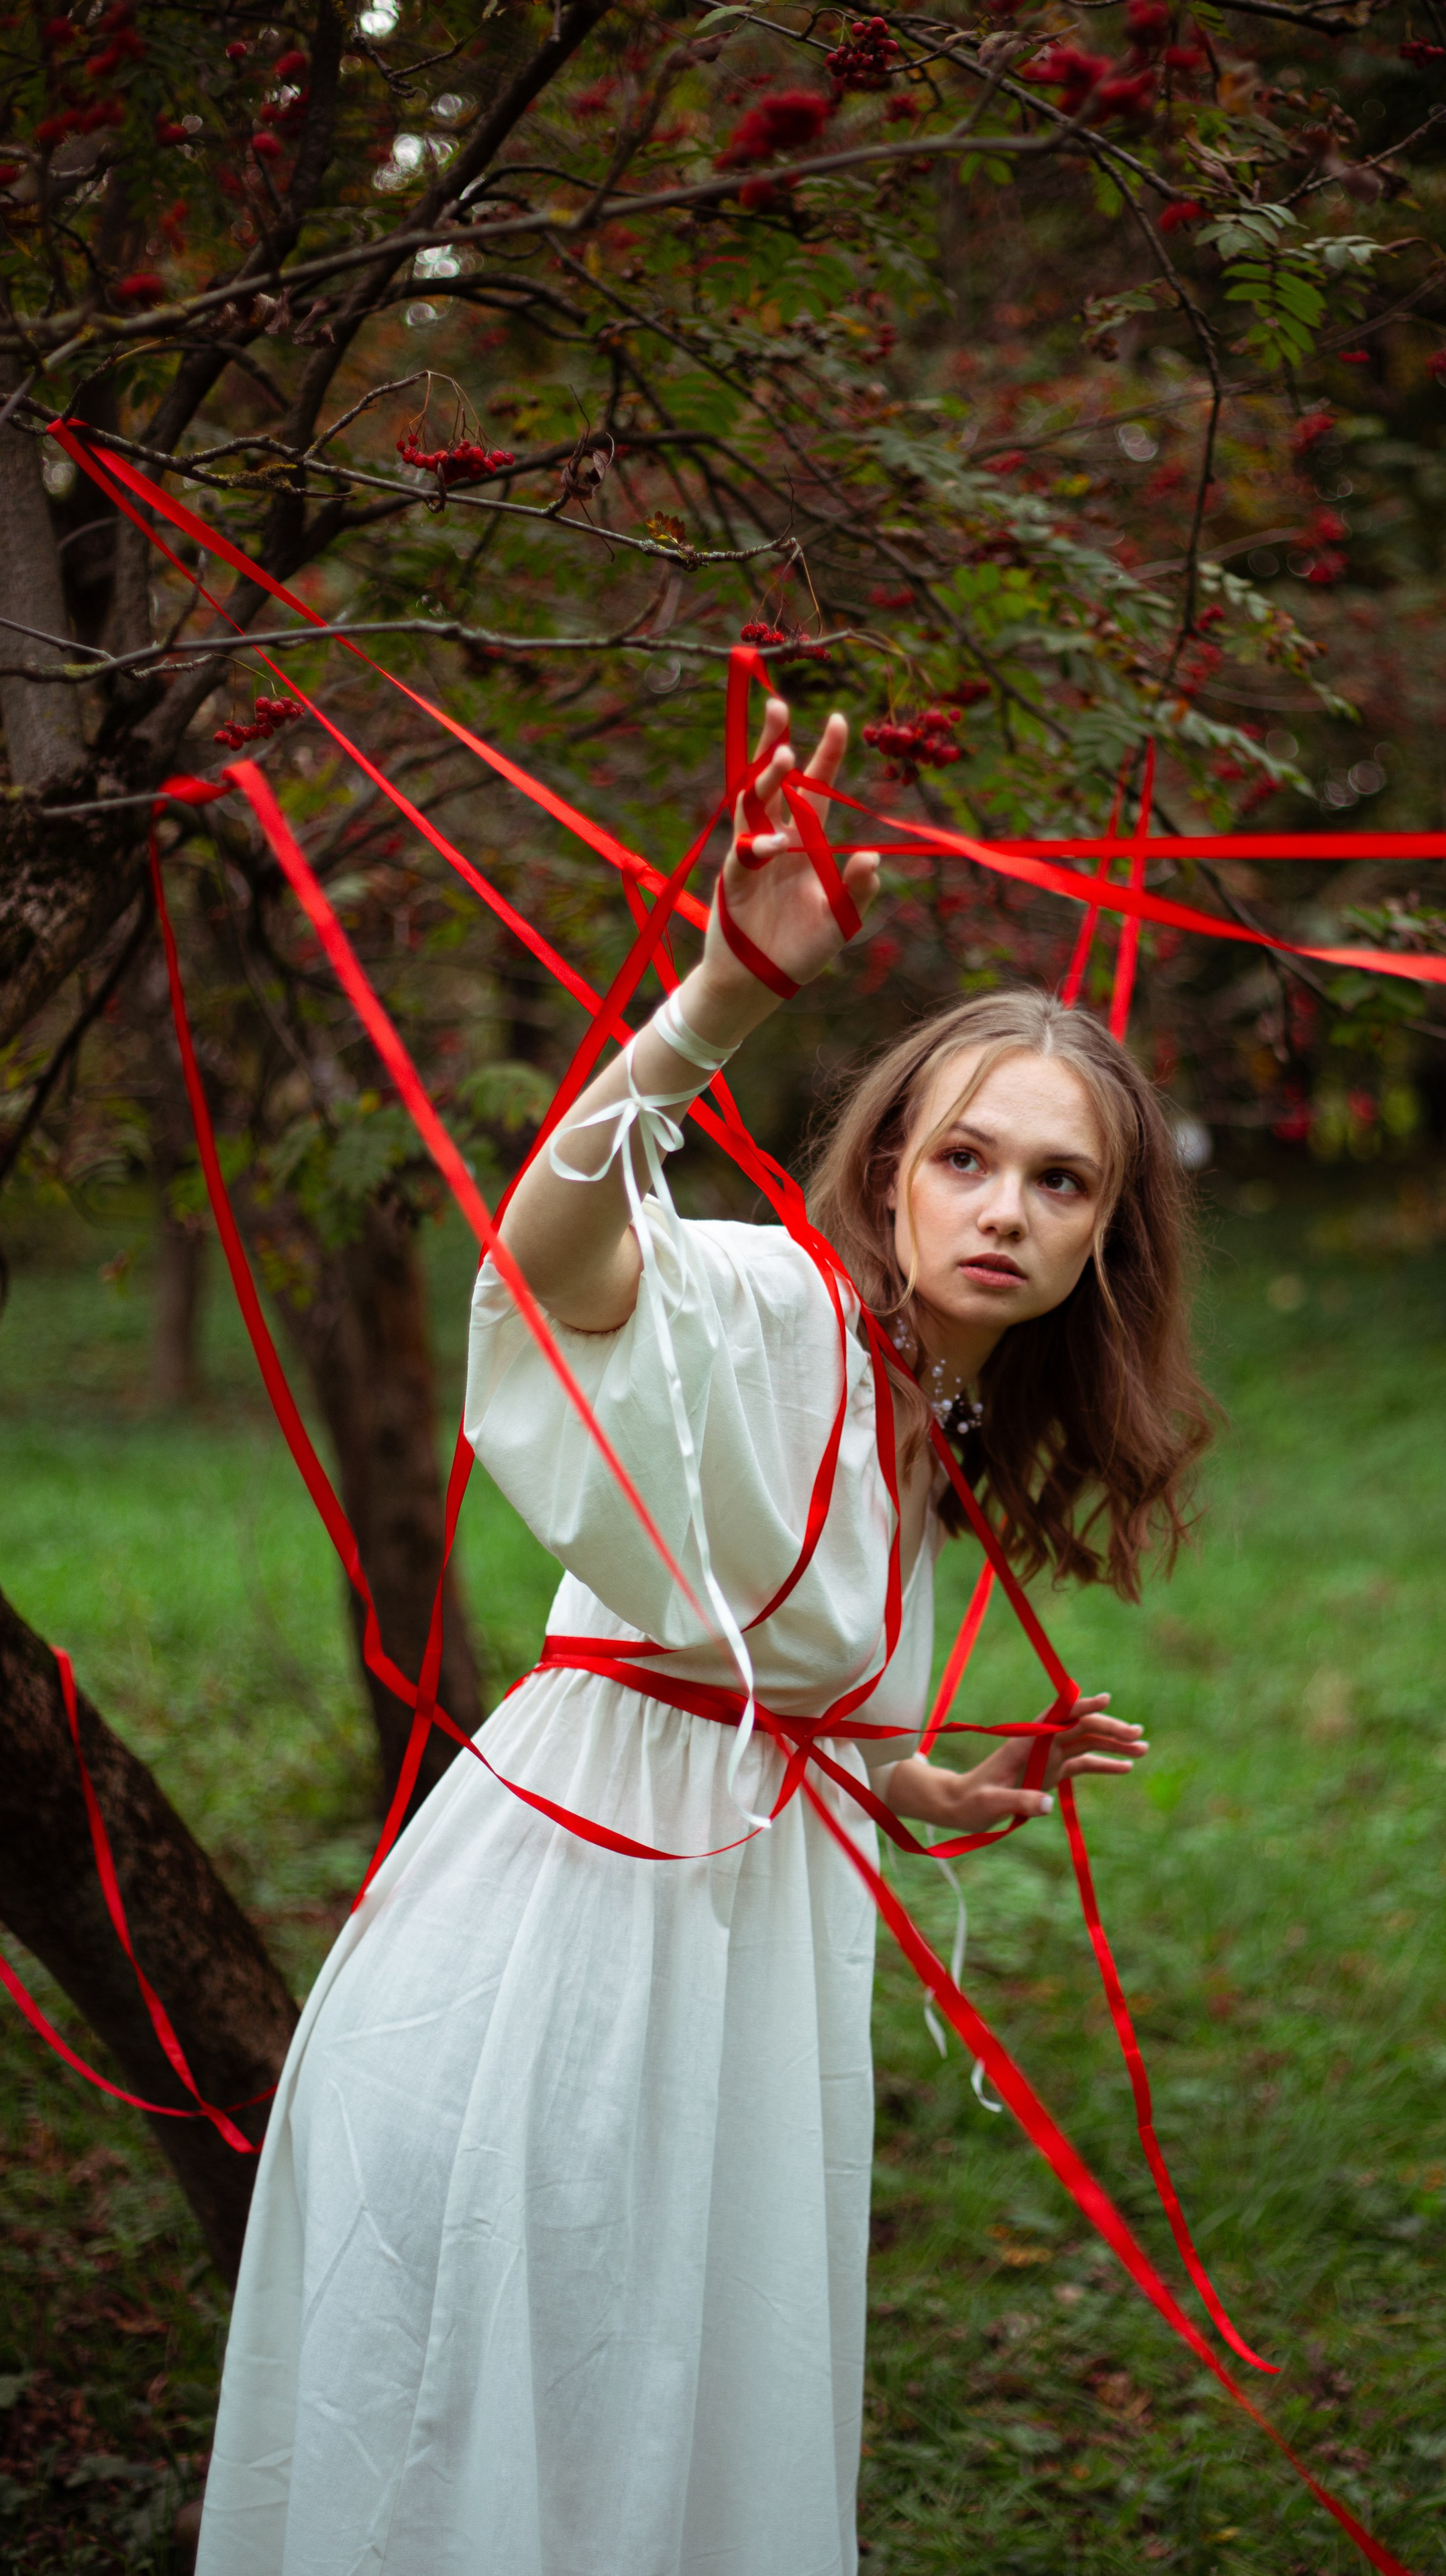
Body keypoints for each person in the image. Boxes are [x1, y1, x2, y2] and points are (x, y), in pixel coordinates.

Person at [196, 697, 1212, 2576]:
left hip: (750, 1946)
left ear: (1105, 1240)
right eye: (968, 1159)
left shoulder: (942, 1420)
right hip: (574, 1935)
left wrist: (921, 1782)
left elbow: (777, 1694)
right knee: (537, 2395)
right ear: (893, 1164)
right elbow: (561, 1263)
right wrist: (720, 1000)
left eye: (1059, 1182)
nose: (1004, 1209)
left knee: (680, 2398)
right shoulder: (772, 1300)